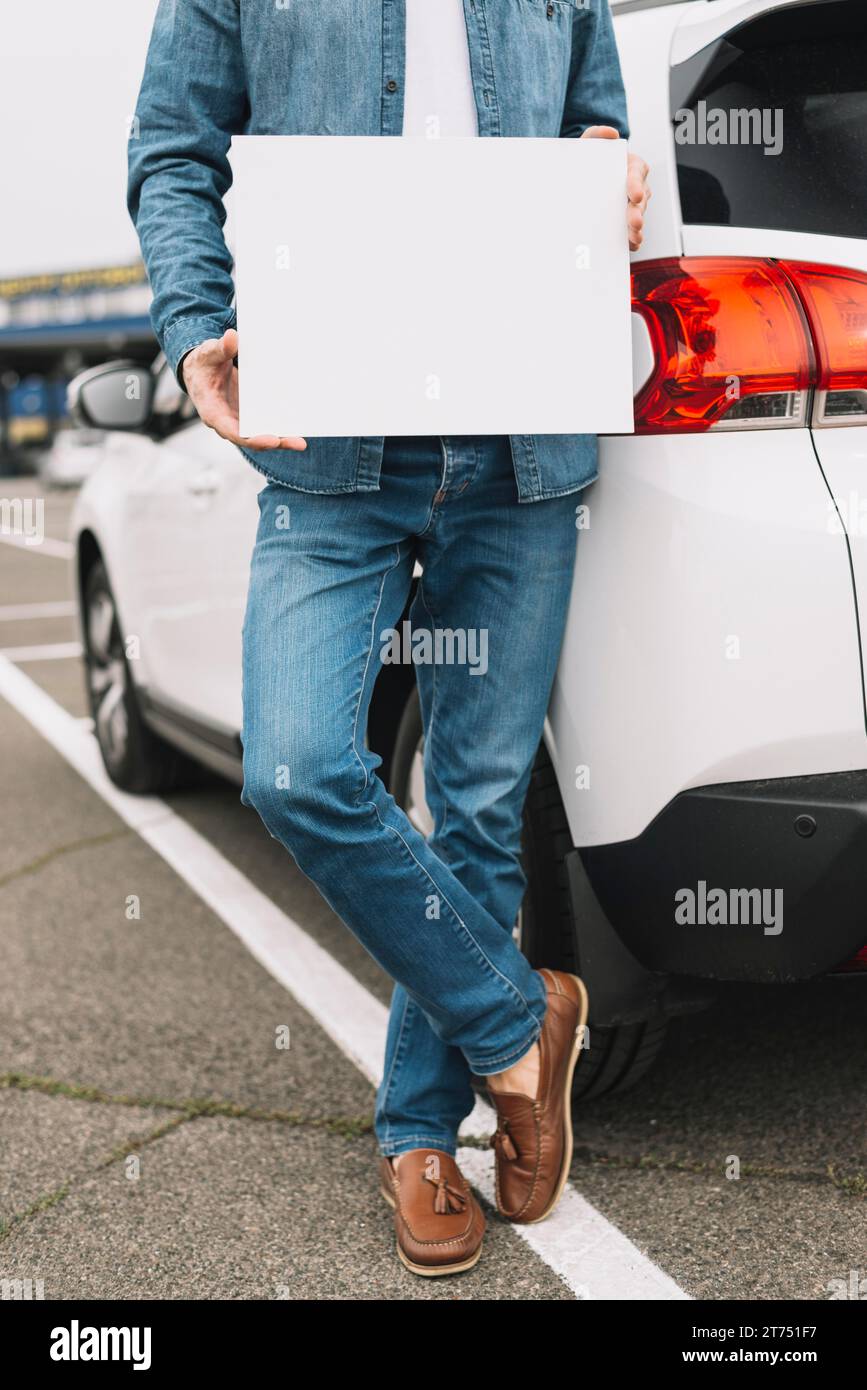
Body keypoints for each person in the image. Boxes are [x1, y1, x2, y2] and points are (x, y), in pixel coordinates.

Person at [129, 0, 650, 1278]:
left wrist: (607, 175)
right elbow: (169, 153)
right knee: (296, 761)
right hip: (331, 441)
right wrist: (197, 332)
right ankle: (521, 1021)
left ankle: (422, 1135)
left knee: (475, 805)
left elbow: (599, 125)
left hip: (524, 432)